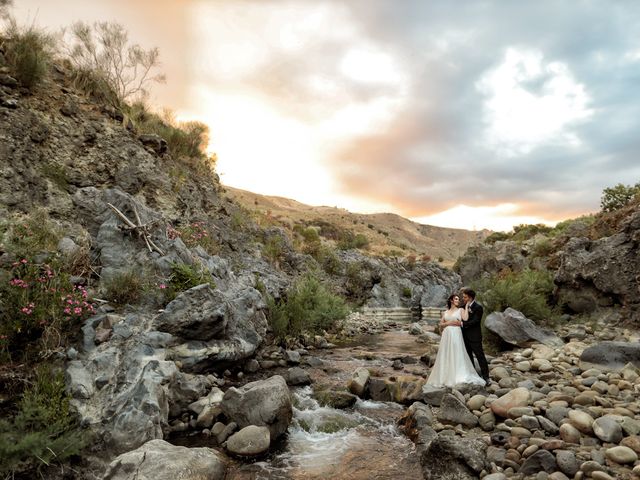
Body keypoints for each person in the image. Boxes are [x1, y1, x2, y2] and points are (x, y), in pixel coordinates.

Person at [426, 293, 485, 387]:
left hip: (456, 334)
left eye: (459, 299)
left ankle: (457, 374)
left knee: (456, 352)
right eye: (456, 299)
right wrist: (449, 322)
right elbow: (441, 324)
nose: (458, 300)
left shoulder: (461, 309)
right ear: (451, 300)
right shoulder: (445, 312)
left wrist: (466, 307)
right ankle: (445, 375)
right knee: (446, 354)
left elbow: (465, 318)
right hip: (447, 335)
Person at [460, 288, 490, 384]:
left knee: (480, 356)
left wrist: (463, 324)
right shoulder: (462, 306)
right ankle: (472, 375)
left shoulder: (478, 307)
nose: (463, 298)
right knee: (468, 357)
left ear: (470, 298)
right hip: (464, 336)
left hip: (475, 337)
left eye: (465, 297)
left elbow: (476, 321)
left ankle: (486, 377)